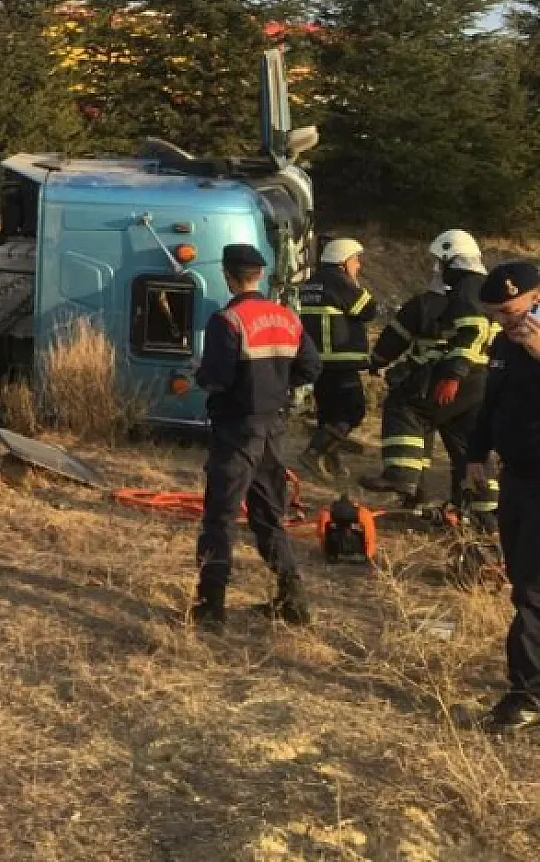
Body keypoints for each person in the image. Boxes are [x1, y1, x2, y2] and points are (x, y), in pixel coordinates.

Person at [191, 243, 321, 631]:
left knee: (221, 517)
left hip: (237, 430)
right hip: (273, 430)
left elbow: (217, 378)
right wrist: (277, 387)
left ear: (228, 276)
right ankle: (294, 599)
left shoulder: (228, 320)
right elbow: (311, 367)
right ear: (261, 275)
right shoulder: (287, 317)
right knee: (269, 515)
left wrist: (200, 373)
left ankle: (211, 606)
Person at [364, 229, 498, 521]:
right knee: (469, 446)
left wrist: (453, 375)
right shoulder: (486, 288)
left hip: (458, 375)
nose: (439, 268)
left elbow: (472, 330)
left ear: (452, 260)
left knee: (406, 408)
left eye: (441, 262)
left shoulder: (463, 290)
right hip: (483, 380)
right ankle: (482, 512)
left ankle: (402, 477)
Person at [466, 260, 540, 733]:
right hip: (517, 479)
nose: (502, 322)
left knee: (533, 588)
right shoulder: (503, 343)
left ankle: (527, 696)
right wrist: (476, 453)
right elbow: (490, 401)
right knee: (521, 581)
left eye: (509, 312)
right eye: (494, 314)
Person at [297, 238, 380, 480]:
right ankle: (314, 452)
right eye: (355, 260)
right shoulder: (339, 282)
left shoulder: (311, 283)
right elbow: (369, 310)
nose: (359, 265)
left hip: (318, 361)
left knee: (329, 414)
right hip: (340, 361)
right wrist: (354, 282)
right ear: (343, 261)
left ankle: (330, 461)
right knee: (353, 411)